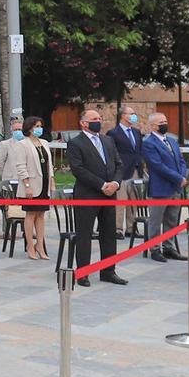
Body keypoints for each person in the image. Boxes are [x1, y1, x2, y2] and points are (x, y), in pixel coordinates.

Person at [66, 109, 127, 286]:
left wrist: (115, 184)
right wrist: (102, 185)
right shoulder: (76, 143)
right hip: (88, 195)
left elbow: (118, 164)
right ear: (83, 123)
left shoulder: (108, 140)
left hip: (109, 195)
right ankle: (83, 273)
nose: (98, 121)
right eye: (94, 119)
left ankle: (108, 271)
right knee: (84, 234)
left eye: (100, 118)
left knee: (109, 234)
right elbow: (78, 169)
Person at [0, 117, 55, 262]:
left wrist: (52, 181)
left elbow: (49, 165)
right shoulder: (22, 144)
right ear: (29, 128)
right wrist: (27, 185)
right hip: (31, 185)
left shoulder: (44, 143)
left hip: (44, 184)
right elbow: (21, 167)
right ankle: (30, 245)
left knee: (41, 215)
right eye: (36, 126)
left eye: (40, 126)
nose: (39, 129)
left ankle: (40, 245)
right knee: (31, 214)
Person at [140, 113, 189, 261]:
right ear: (153, 126)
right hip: (160, 188)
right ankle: (155, 249)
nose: (165, 124)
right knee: (156, 220)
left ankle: (169, 247)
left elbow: (181, 161)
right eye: (161, 122)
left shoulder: (172, 141)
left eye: (166, 121)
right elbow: (157, 165)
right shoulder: (149, 143)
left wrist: (182, 175)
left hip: (175, 188)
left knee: (171, 219)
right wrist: (178, 178)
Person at [110, 105, 148, 238]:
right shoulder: (113, 133)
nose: (134, 116)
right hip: (122, 172)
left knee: (133, 200)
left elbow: (139, 151)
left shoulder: (137, 132)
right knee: (121, 201)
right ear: (123, 116)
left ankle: (131, 228)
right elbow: (112, 153)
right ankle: (117, 229)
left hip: (136, 170)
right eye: (131, 113)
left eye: (134, 113)